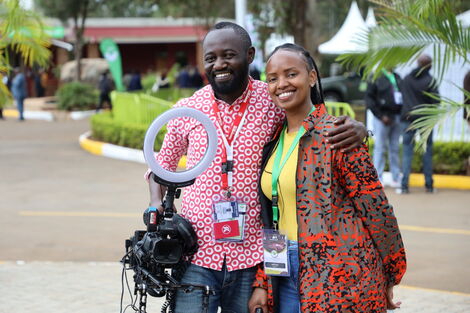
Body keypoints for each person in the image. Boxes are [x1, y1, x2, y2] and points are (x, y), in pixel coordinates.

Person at [147, 22, 367, 313]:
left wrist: (360, 129)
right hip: (196, 256)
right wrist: (155, 202)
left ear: (249, 55)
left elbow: (314, 121)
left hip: (255, 259)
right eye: (211, 58)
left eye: (229, 55)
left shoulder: (273, 100)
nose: (219, 64)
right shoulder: (188, 108)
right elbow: (159, 169)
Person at [248, 43, 406, 313]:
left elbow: (376, 210)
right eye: (272, 78)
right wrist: (263, 279)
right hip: (283, 268)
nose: (281, 84)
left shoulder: (338, 134)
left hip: (338, 272)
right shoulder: (274, 140)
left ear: (311, 77)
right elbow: (273, 216)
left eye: (291, 74)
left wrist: (391, 274)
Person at [398, 55, 440, 194]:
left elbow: (402, 97)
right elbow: (436, 103)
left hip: (408, 119)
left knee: (407, 152)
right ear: (429, 65)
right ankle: (429, 186)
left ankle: (404, 186)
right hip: (425, 121)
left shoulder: (406, 79)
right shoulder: (430, 81)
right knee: (427, 151)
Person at [365, 67, 403, 187]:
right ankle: (378, 178)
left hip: (396, 117)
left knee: (395, 148)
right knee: (380, 148)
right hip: (382, 119)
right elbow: (369, 98)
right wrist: (380, 116)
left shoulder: (397, 77)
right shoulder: (375, 76)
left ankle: (396, 177)